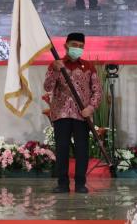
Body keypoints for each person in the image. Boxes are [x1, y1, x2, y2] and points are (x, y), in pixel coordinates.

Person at [44, 33, 102, 193]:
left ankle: (80, 184)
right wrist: (55, 71)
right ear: (66, 45)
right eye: (74, 45)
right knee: (62, 148)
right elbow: (47, 87)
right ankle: (62, 184)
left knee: (82, 149)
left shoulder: (89, 67)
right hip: (61, 114)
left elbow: (97, 91)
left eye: (81, 46)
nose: (78, 49)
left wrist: (91, 108)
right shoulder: (56, 65)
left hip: (81, 115)